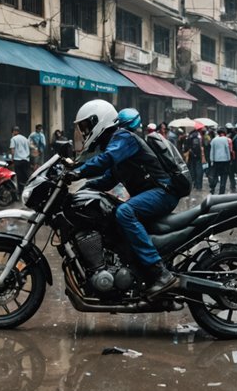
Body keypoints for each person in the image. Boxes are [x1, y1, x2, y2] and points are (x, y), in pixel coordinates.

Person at [71, 100, 180, 295]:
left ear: (100, 121)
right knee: (113, 214)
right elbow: (107, 179)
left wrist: (77, 172)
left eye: (88, 126)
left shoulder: (123, 138)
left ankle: (160, 273)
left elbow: (106, 161)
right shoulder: (115, 144)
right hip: (152, 194)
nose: (86, 132)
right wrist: (82, 188)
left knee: (125, 212)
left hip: (163, 192)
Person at [209, 127, 232, 195]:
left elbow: (212, 151)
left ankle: (213, 189)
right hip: (225, 161)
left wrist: (212, 160)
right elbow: (227, 150)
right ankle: (221, 192)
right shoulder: (226, 139)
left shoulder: (214, 140)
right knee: (224, 176)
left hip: (216, 161)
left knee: (215, 175)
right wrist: (229, 159)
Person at [9, 126, 31, 194]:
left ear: (14, 132)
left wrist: (12, 159)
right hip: (26, 159)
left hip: (17, 160)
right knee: (26, 176)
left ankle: (20, 191)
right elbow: (29, 148)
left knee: (19, 177)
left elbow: (12, 150)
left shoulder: (13, 139)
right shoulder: (25, 138)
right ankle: (29, 189)